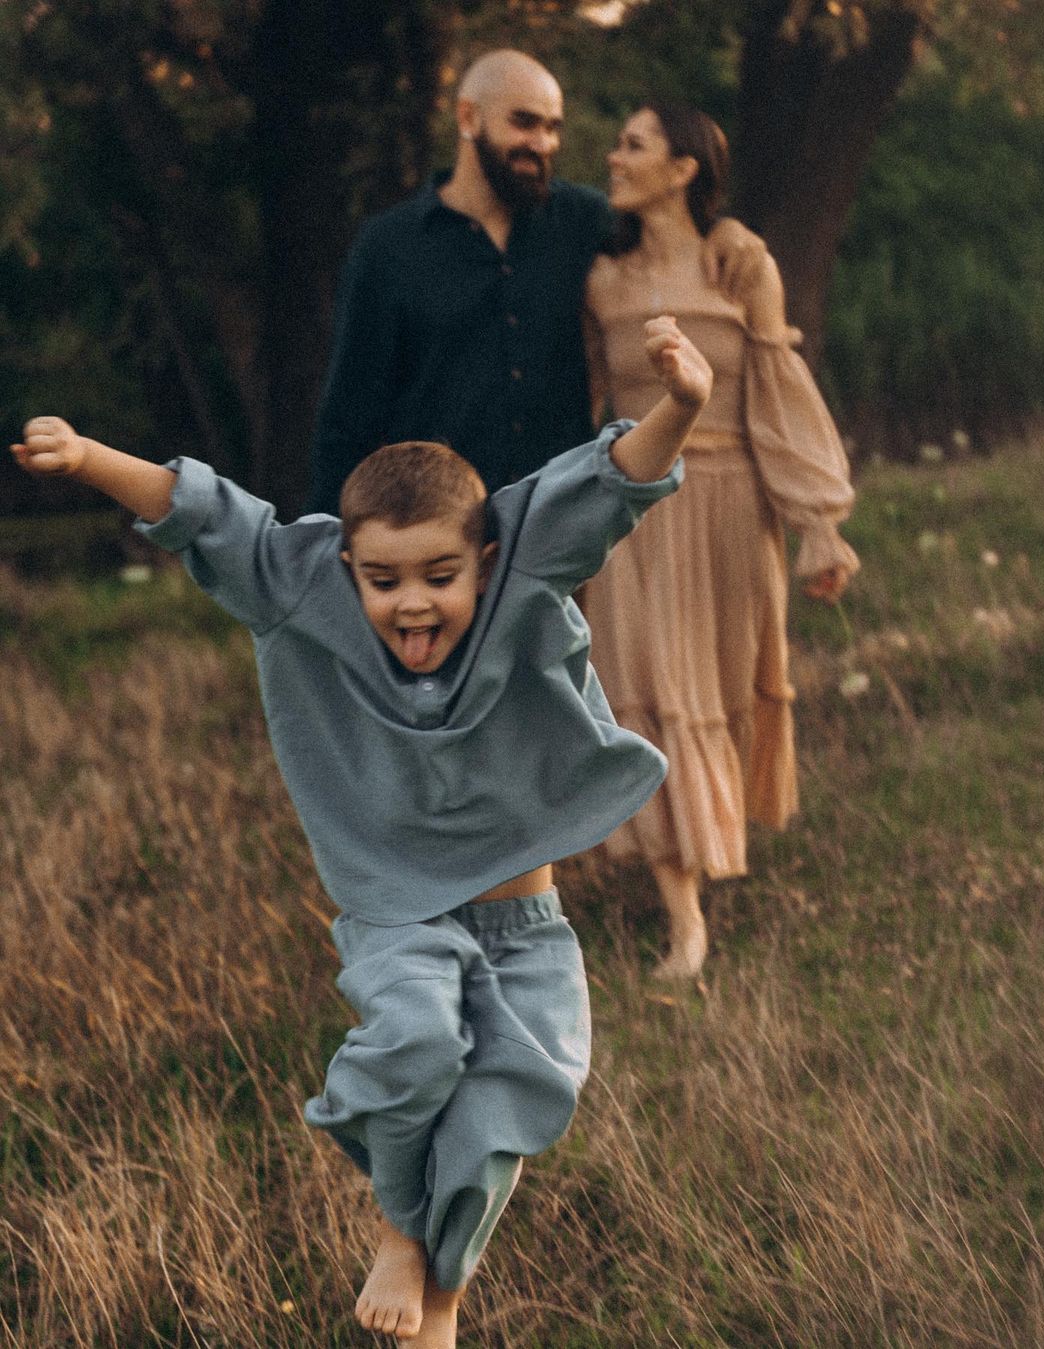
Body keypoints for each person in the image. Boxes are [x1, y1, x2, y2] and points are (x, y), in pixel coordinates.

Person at [11, 315, 712, 1347]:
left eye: (438, 574)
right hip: (398, 913)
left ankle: (440, 1300)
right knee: (417, 1039)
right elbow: (207, 513)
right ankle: (398, 1227)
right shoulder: (303, 585)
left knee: (518, 1099)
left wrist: (683, 404)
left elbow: (612, 483)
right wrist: (86, 458)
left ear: (484, 553)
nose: (412, 602)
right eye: (382, 580)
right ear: (346, 565)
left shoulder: (524, 561)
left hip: (525, 922)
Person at [582, 102, 860, 980]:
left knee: (720, 688)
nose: (614, 156)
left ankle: (706, 843)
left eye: (634, 144)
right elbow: (590, 408)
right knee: (650, 690)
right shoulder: (601, 282)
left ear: (684, 168)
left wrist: (819, 524)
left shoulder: (740, 267)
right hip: (640, 510)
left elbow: (777, 395)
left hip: (737, 505)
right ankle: (683, 918)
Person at [306, 48, 612, 510]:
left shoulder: (582, 222)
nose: (544, 143)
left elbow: (677, 236)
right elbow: (349, 417)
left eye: (553, 127)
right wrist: (330, 547)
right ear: (468, 118)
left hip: (559, 524)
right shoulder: (388, 247)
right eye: (525, 122)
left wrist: (730, 240)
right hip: (436, 534)